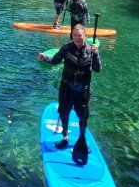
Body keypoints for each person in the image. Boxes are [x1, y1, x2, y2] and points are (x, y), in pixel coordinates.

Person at [38, 24, 101, 157]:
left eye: (79, 35)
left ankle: (82, 138)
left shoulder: (91, 50)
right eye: (74, 36)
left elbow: (97, 69)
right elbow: (55, 60)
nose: (77, 38)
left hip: (83, 90)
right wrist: (45, 58)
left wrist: (96, 55)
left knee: (83, 116)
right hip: (67, 88)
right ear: (71, 36)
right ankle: (65, 137)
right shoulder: (67, 48)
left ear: (85, 36)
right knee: (64, 112)